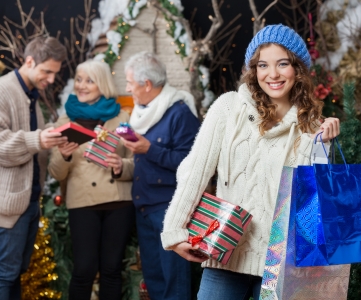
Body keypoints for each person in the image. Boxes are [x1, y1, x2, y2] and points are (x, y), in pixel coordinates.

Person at [160, 24, 341, 299]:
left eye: (283, 64)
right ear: (253, 70)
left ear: (298, 69)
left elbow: (314, 204)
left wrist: (324, 144)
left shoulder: (311, 127)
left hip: (280, 263)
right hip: (225, 252)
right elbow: (194, 171)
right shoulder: (228, 107)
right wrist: (174, 230)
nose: (273, 74)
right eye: (263, 65)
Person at [0, 36, 67, 300]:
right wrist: (38, 139)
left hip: (28, 200)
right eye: (46, 71)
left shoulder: (30, 95)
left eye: (54, 73)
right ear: (29, 61)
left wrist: (52, 137)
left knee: (15, 272)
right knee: (5, 274)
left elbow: (29, 141)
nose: (51, 79)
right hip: (8, 201)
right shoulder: (0, 91)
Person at [47, 60, 134, 300]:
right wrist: (64, 156)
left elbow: (136, 162)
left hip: (118, 202)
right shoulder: (63, 122)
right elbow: (56, 173)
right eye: (79, 79)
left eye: (89, 80)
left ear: (102, 84)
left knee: (111, 270)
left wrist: (121, 166)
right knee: (84, 270)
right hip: (82, 203)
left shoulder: (122, 118)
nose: (82, 86)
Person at [119, 51, 200, 300]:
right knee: (154, 280)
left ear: (147, 84)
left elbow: (192, 163)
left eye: (130, 83)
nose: (127, 88)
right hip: (145, 208)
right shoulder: (141, 114)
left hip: (169, 210)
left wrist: (149, 149)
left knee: (175, 284)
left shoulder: (180, 114)